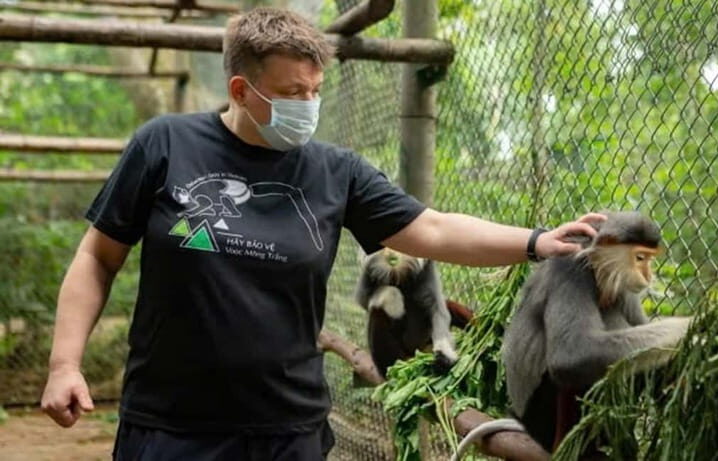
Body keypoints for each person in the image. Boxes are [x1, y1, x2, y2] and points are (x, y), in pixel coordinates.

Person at [40, 7, 604, 460]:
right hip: (171, 427)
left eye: (315, 90)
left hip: (289, 427)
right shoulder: (164, 144)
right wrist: (65, 363)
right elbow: (98, 256)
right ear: (240, 90)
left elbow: (431, 228)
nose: (308, 105)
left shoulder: (336, 171)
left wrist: (536, 241)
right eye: (291, 93)